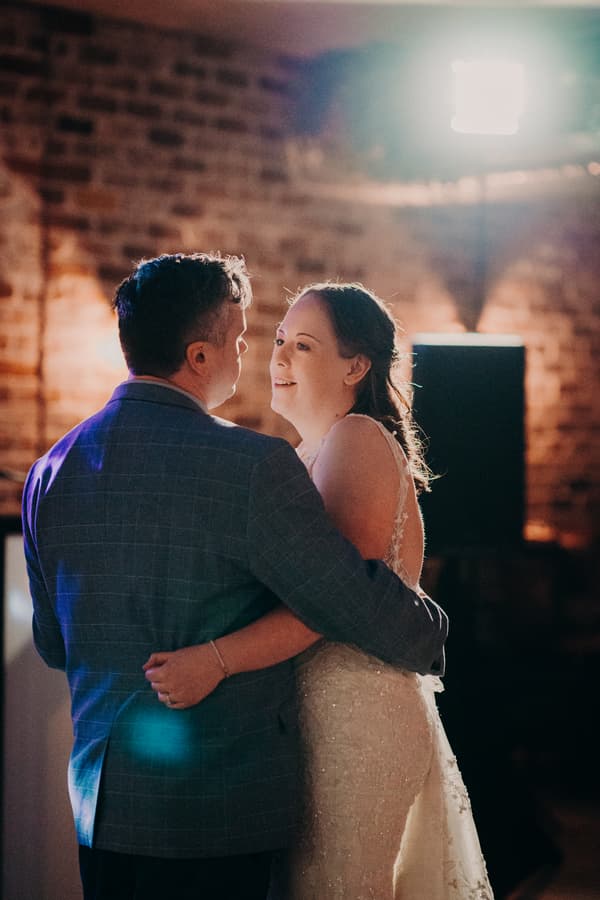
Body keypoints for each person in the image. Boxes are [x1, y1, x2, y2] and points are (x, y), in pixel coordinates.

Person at [21, 254, 448, 900]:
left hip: (103, 810)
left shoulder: (49, 471)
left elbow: (54, 643)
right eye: (243, 338)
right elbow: (341, 595)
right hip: (218, 812)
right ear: (198, 356)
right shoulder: (251, 466)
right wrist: (432, 628)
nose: (254, 355)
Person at [144, 282, 493, 899]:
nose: (278, 358)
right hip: (321, 715)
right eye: (278, 340)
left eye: (303, 346)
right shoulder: (309, 452)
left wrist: (216, 661)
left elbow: (334, 599)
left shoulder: (355, 438)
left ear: (355, 366)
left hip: (354, 716)